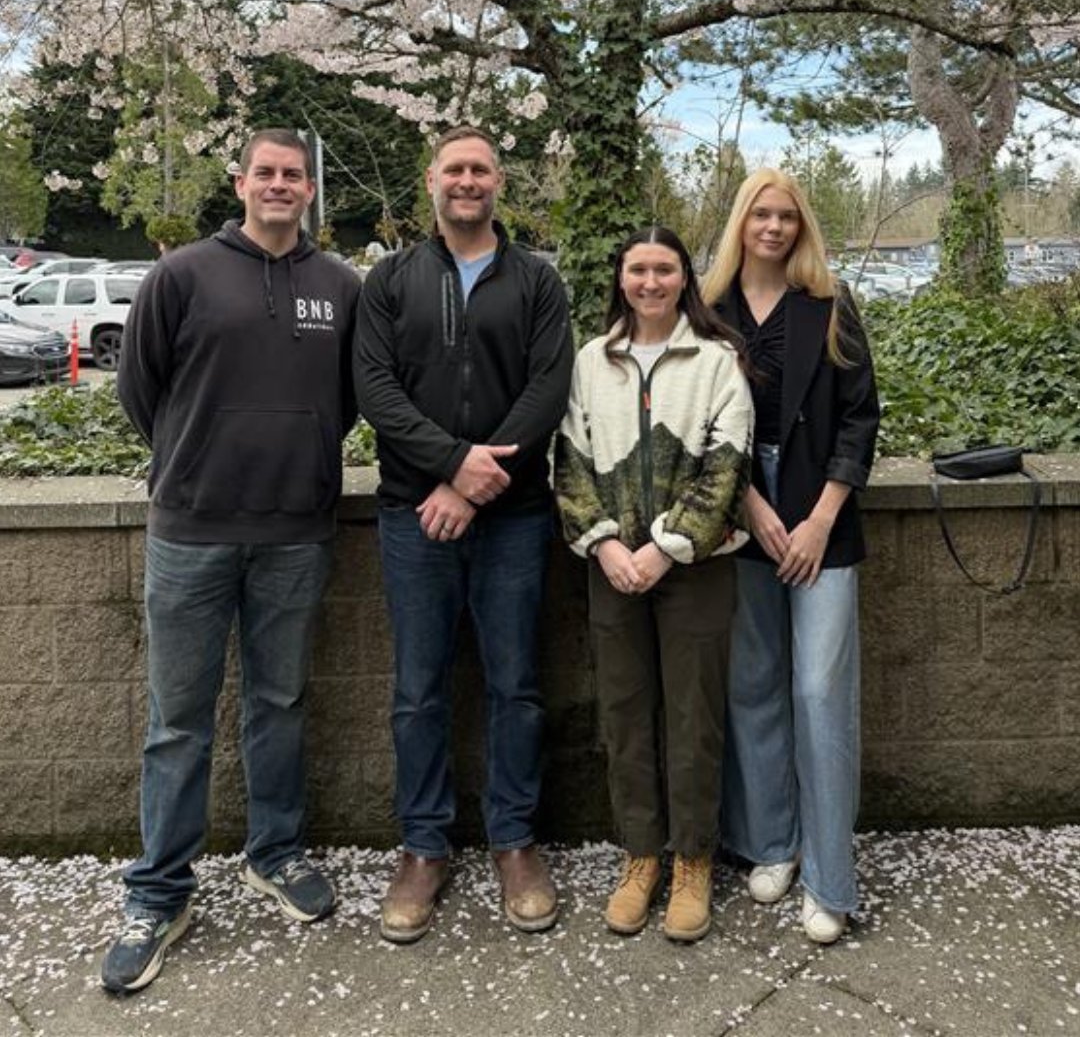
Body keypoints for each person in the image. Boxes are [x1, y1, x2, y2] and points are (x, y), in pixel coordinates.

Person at [102, 128, 362, 994]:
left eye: (295, 175)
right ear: (242, 181)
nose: (280, 185)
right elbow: (140, 390)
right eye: (267, 173)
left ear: (311, 190)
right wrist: (197, 457)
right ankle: (160, 891)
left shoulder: (338, 286)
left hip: (297, 531)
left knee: (279, 700)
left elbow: (352, 400)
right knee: (177, 721)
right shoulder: (181, 275)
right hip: (192, 532)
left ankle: (275, 853)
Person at [354, 124, 573, 943]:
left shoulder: (537, 283)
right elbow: (375, 388)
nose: (468, 180)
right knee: (418, 689)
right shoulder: (390, 279)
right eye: (455, 168)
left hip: (513, 519)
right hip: (414, 517)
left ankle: (514, 840)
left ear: (499, 183)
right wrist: (450, 468)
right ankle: (423, 845)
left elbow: (548, 388)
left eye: (481, 168)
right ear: (431, 181)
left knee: (517, 684)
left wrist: (479, 488)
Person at [555, 227, 754, 942]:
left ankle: (694, 859)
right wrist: (605, 543)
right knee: (625, 712)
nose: (649, 282)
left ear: (683, 279)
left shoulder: (715, 361)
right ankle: (641, 856)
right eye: (637, 269)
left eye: (663, 269)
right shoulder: (590, 361)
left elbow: (728, 466)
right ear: (620, 277)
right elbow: (569, 461)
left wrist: (667, 548)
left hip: (696, 567)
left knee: (694, 715)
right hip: (612, 567)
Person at [702, 168, 879, 946]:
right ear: (741, 222)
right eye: (760, 215)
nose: (772, 227)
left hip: (820, 513)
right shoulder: (709, 314)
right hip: (741, 512)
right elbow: (698, 425)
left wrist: (818, 520)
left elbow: (859, 419)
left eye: (786, 216)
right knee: (753, 685)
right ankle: (771, 842)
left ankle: (830, 878)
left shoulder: (831, 304)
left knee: (818, 692)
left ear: (801, 226)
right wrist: (749, 503)